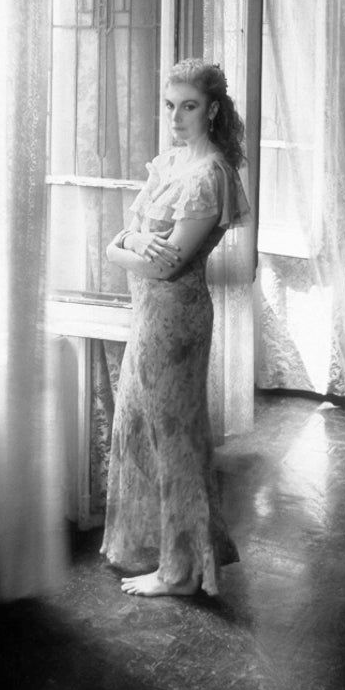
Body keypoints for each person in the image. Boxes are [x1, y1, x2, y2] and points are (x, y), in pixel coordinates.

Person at [101, 59, 250, 597]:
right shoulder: (169, 164)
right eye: (170, 105)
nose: (176, 116)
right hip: (147, 317)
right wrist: (134, 241)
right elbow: (124, 242)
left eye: (189, 106)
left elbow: (167, 267)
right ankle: (160, 550)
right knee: (139, 428)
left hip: (177, 323)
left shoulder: (210, 175)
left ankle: (181, 571)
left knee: (177, 441)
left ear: (211, 110)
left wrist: (125, 247)